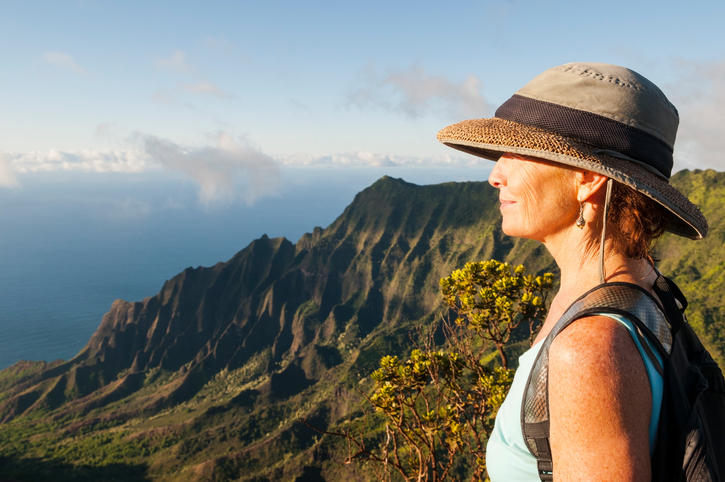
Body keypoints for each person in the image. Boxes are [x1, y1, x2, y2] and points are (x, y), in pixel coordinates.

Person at [437, 63, 708, 481]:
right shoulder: (644, 287)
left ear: (587, 180)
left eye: (517, 153)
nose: (495, 175)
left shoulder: (590, 351)